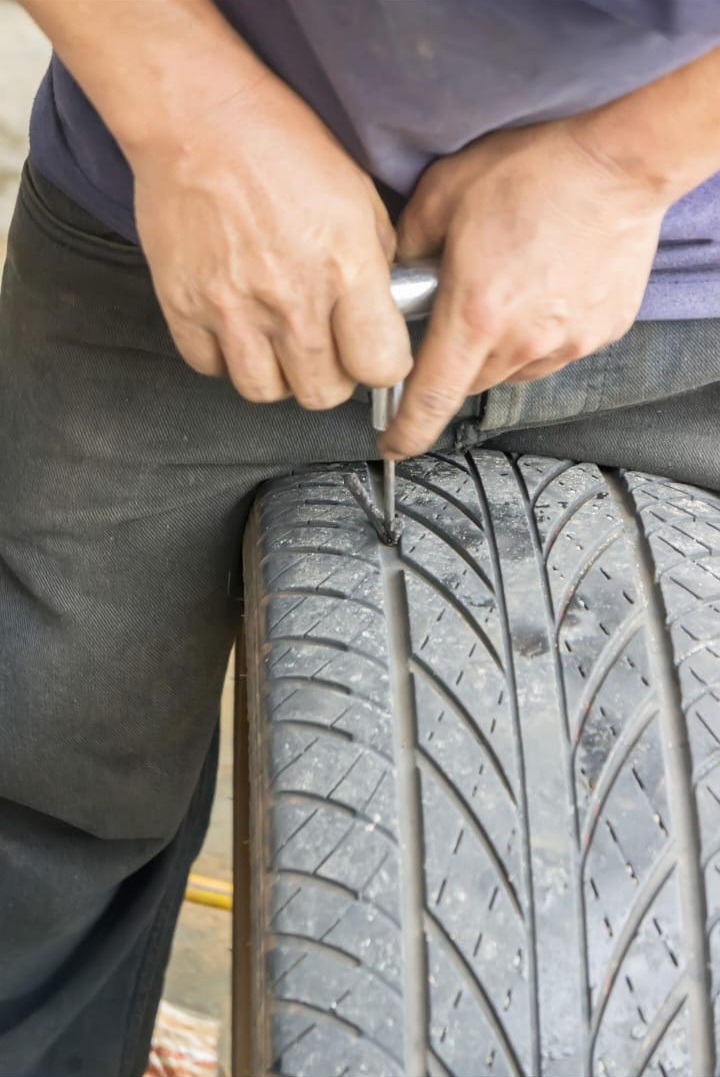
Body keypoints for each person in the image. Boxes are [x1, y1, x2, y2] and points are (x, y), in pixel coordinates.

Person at [3, 1, 720, 1072]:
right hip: (184, 237)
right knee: (42, 810)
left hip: (677, 282)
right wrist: (192, 110)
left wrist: (630, 163)